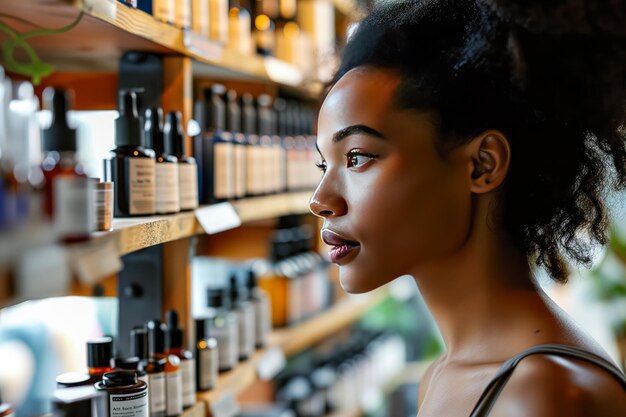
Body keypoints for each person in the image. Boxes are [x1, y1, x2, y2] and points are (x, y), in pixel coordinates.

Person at [308, 0, 626, 415]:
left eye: (357, 157)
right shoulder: (441, 376)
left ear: (483, 165)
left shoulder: (544, 394)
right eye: (322, 163)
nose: (320, 200)